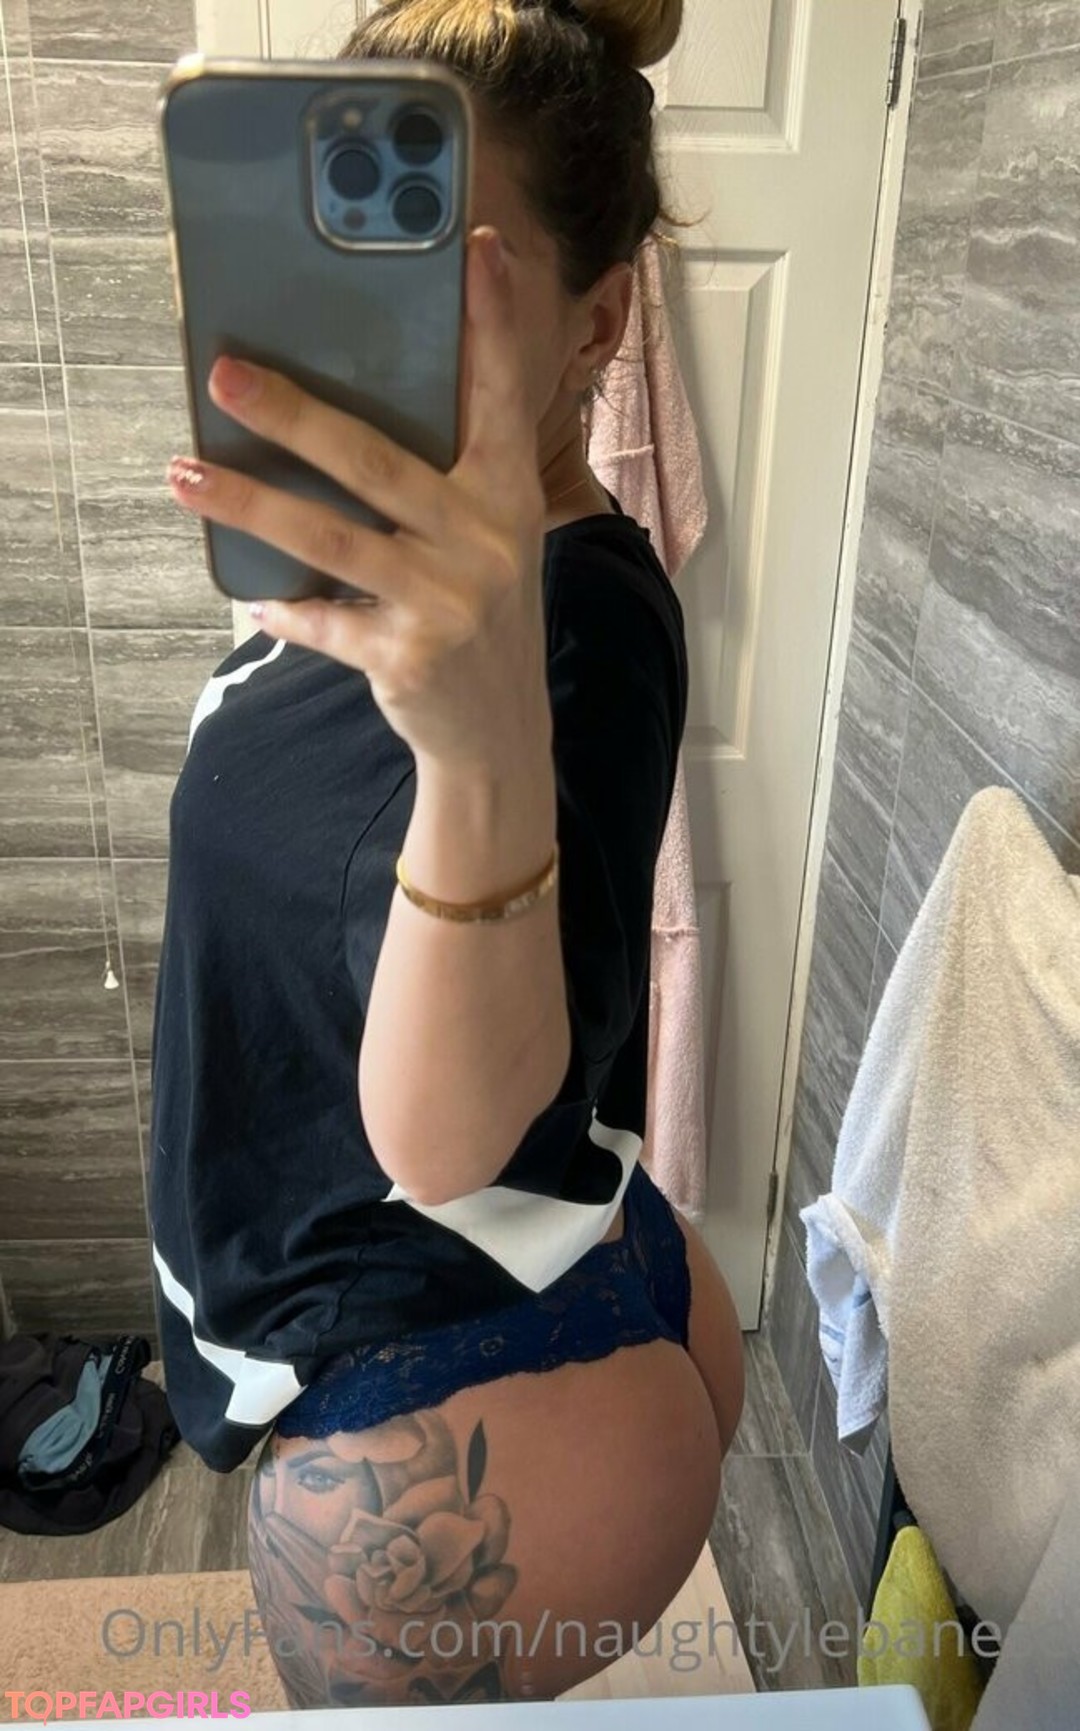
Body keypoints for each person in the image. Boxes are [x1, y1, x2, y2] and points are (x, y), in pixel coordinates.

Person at [150, 0, 745, 1708]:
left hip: (452, 1396)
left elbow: (444, 1138)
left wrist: (480, 742)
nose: (382, 326)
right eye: (350, 262)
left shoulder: (570, 626)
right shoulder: (365, 581)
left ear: (595, 321)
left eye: (450, 279)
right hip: (514, 1289)